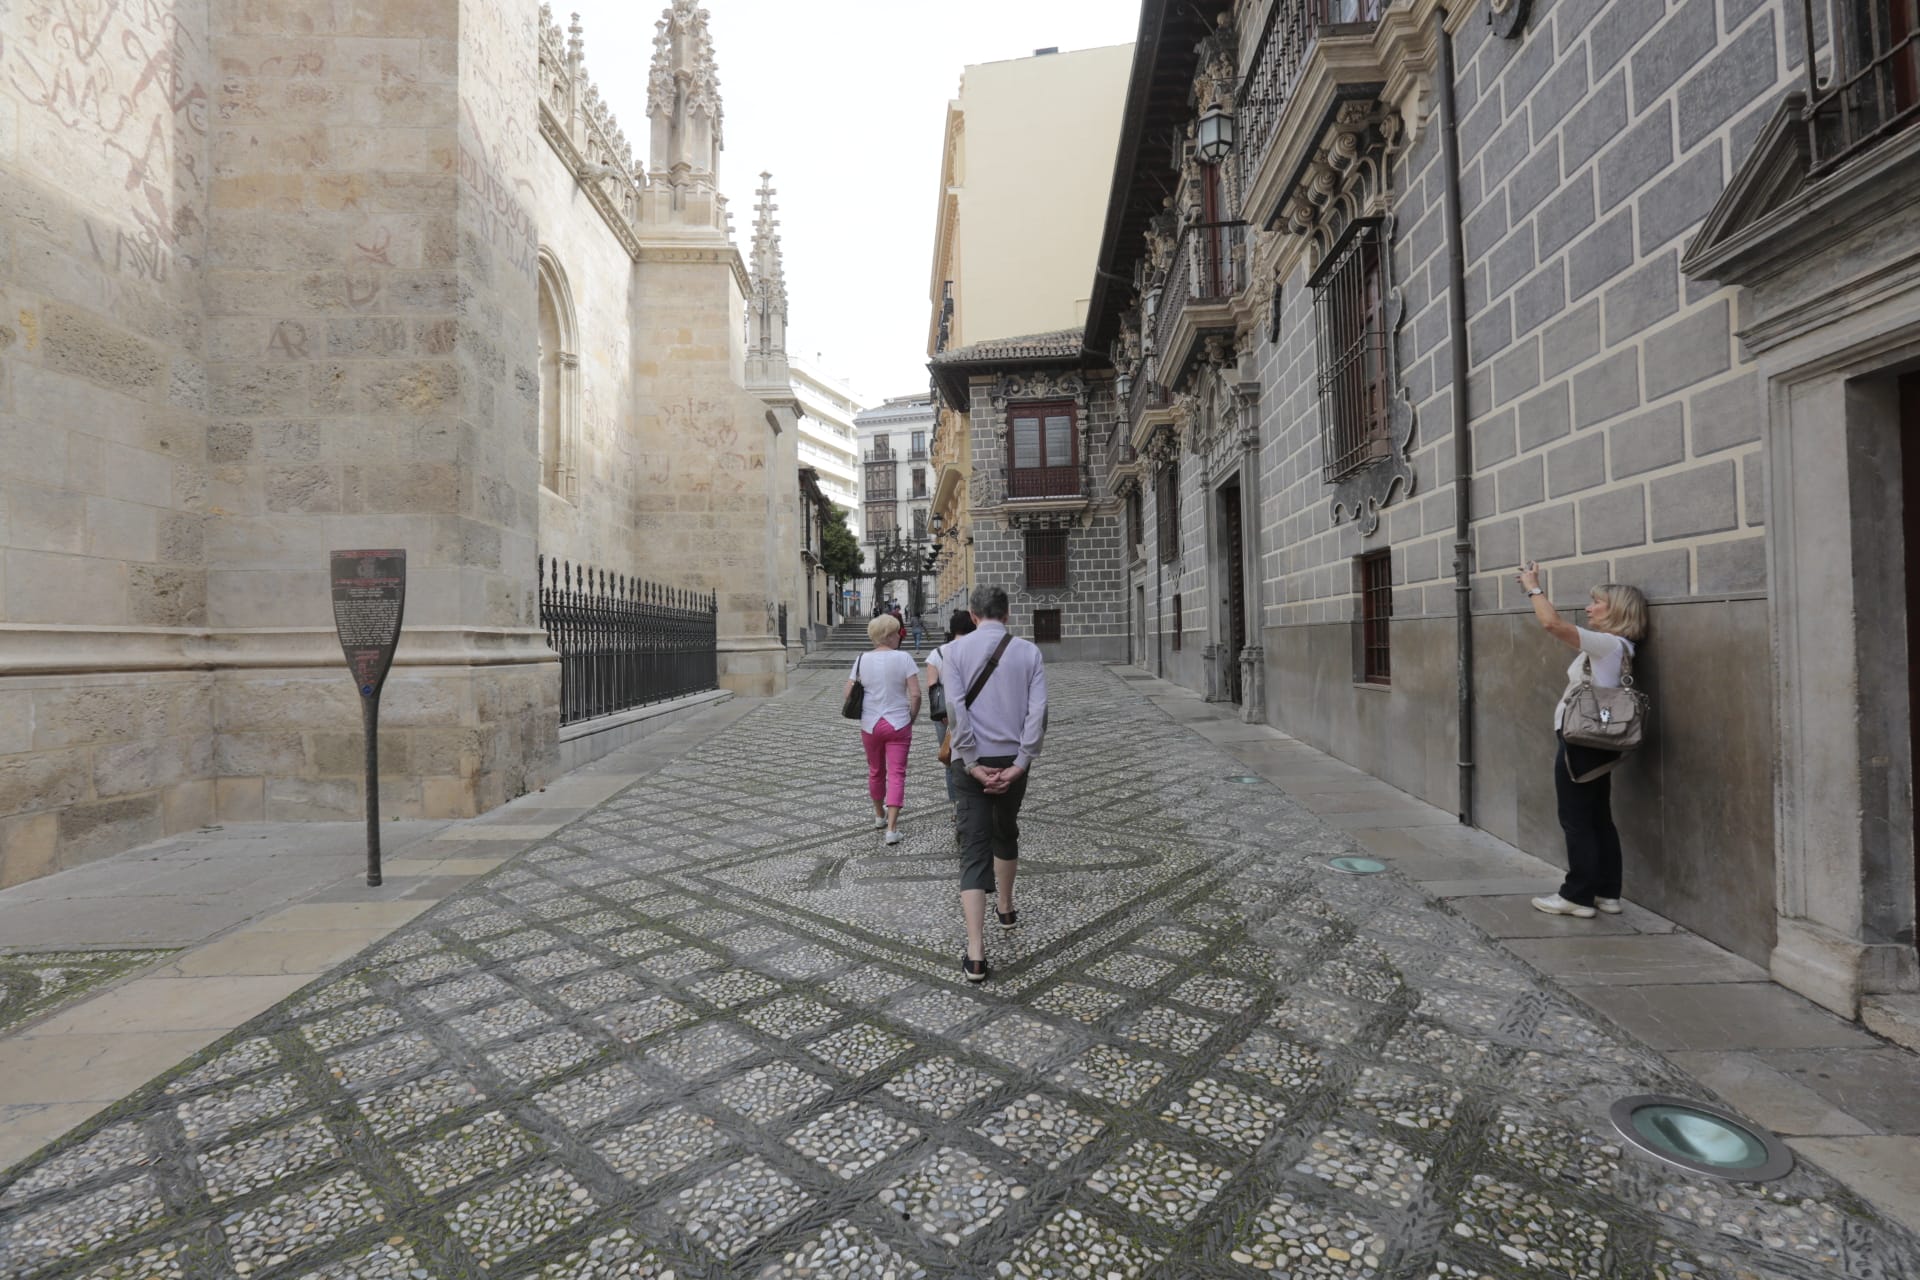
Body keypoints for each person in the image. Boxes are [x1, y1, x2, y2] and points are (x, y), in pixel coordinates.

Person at [1515, 561, 1649, 919]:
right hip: (1597, 741)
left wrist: (1533, 588)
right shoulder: (1620, 646)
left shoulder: (1607, 644)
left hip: (1582, 740)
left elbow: (1551, 624)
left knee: (1575, 818)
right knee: (1597, 816)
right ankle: (1607, 893)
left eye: (1597, 603)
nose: (1589, 608)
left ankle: (1576, 895)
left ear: (1617, 611)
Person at [940, 585, 1047, 982]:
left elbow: (956, 711)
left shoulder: (954, 652)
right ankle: (1005, 907)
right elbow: (1038, 713)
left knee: (973, 848)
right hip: (1012, 759)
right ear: (1008, 613)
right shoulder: (1029, 652)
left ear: (971, 614)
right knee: (1007, 831)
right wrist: (1021, 762)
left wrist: (970, 761)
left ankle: (976, 953)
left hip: (972, 764)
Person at [846, 612, 921, 846]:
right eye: (898, 632)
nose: (900, 636)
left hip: (870, 724)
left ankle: (879, 816)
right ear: (889, 635)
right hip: (898, 722)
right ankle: (892, 829)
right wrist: (911, 717)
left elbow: (848, 693)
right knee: (897, 773)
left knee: (875, 771)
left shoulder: (861, 659)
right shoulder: (904, 658)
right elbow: (916, 694)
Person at [923, 610, 978, 817]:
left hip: (946, 715)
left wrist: (944, 713)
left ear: (952, 628)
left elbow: (932, 686)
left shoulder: (937, 654)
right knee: (977, 756)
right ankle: (977, 801)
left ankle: (956, 805)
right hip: (975, 712)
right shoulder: (978, 650)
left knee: (950, 759)